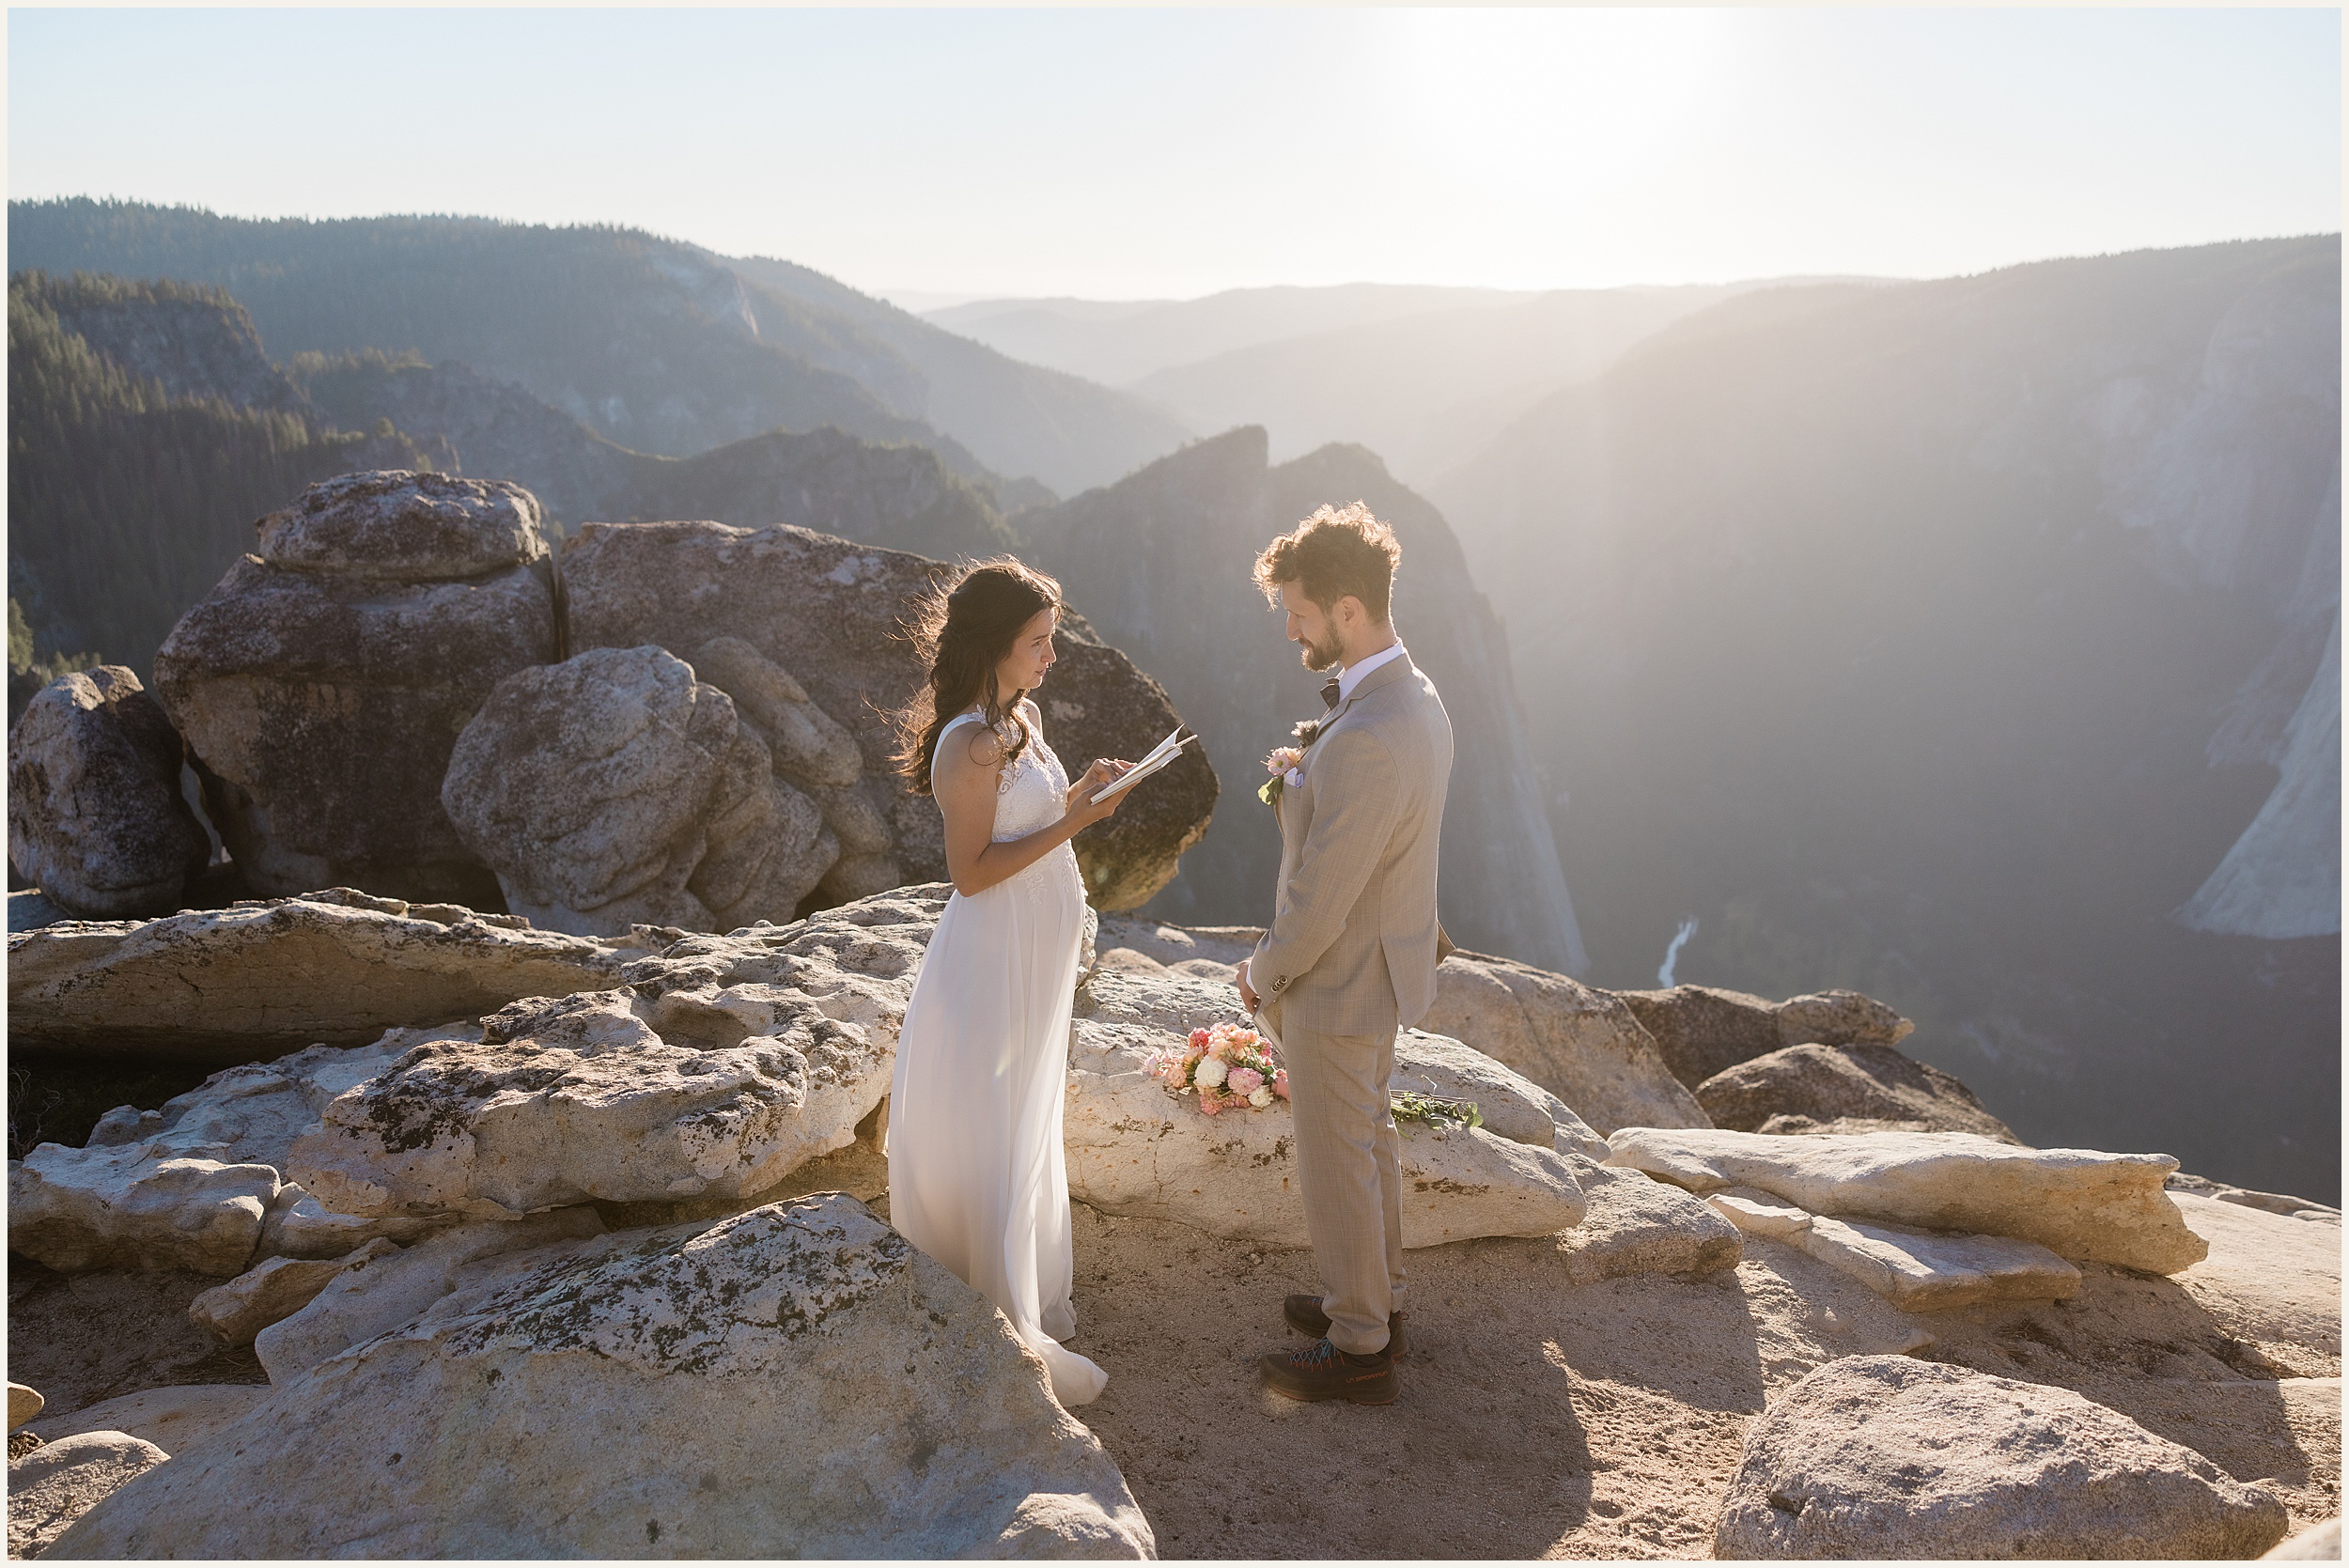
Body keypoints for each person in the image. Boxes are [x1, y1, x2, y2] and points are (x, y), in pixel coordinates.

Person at [885, 557, 1132, 1407]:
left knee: (1027, 1106)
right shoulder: (970, 741)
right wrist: (1076, 820)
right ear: (995, 646)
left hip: (1036, 954)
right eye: (1038, 642)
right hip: (993, 957)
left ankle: (1016, 1273)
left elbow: (1039, 815)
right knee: (994, 1115)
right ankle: (985, 1299)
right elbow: (972, 872)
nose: (1052, 658)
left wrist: (1084, 792)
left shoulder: (1018, 718)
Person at [1237, 503, 1455, 1405]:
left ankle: (1358, 1342)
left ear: (1350, 609)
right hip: (1386, 962)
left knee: (1336, 1160)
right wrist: (1305, 774)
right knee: (1367, 1141)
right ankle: (1379, 1299)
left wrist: (1262, 970)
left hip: (1341, 978)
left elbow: (1324, 893)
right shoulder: (1415, 697)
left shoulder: (1368, 736)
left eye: (1299, 609)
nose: (1288, 626)